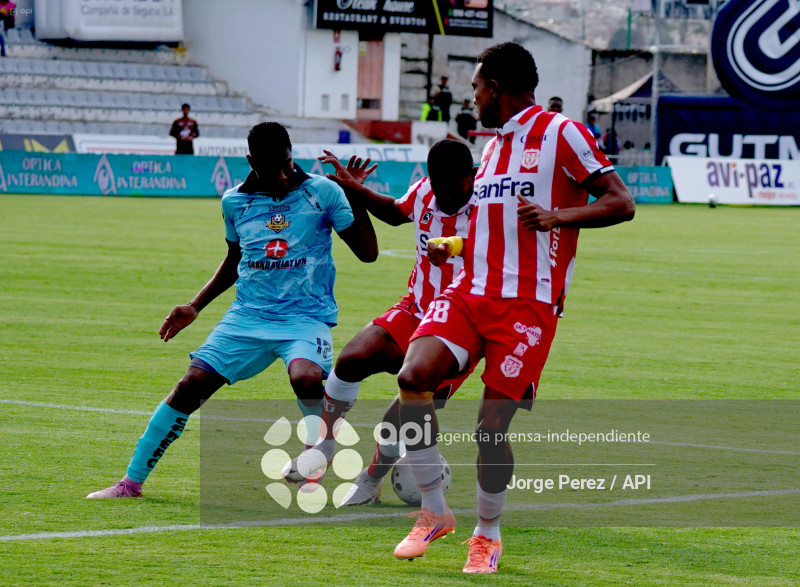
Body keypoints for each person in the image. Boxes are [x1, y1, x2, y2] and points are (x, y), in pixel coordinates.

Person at [391, 42, 635, 573]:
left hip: (528, 304)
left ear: (496, 88)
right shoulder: (494, 147)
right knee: (413, 378)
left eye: (477, 86)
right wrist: (451, 247)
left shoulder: (560, 133)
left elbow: (621, 201)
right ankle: (434, 511)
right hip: (469, 290)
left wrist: (558, 216)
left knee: (489, 427)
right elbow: (490, 226)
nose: (472, 95)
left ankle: (487, 533)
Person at [86, 122, 378, 499]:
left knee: (305, 378)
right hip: (247, 317)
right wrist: (195, 305)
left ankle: (318, 449)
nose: (281, 175)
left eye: (286, 163)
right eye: (271, 167)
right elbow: (235, 259)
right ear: (250, 161)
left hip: (305, 316)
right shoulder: (235, 201)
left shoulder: (323, 191)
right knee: (189, 387)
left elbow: (368, 254)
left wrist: (354, 194)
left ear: (292, 154)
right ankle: (130, 483)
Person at [284, 140, 477, 506]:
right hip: (416, 309)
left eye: (452, 187)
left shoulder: (490, 204)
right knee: (353, 358)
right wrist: (354, 189)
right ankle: (322, 447)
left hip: (460, 327)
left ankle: (370, 480)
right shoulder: (425, 191)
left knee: (401, 419)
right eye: (437, 185)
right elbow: (393, 211)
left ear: (471, 177)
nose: (444, 196)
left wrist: (454, 245)